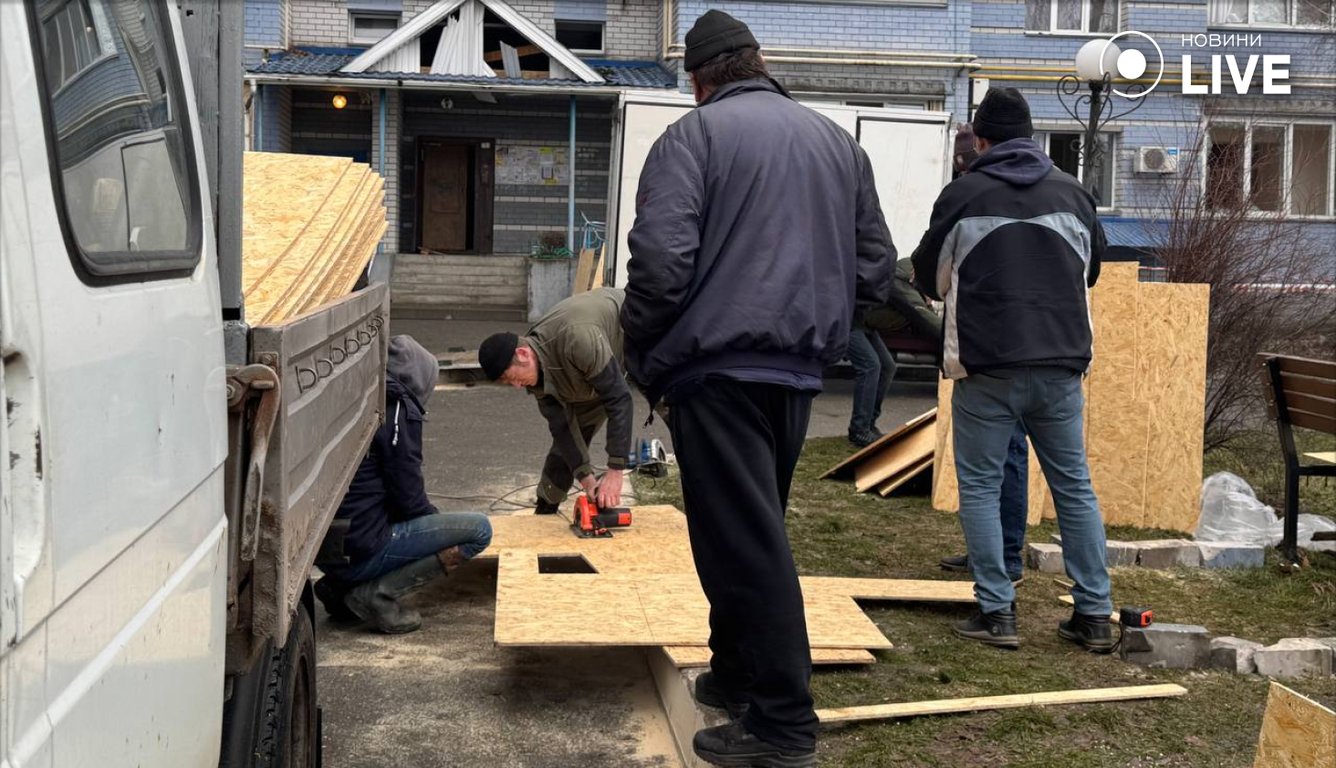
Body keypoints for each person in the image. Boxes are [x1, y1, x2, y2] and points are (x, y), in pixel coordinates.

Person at [621, 10, 893, 767]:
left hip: (716, 370)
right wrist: (819, 312)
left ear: (699, 79)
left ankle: (781, 724)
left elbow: (662, 263)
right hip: (796, 370)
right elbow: (876, 265)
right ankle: (738, 673)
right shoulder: (837, 143)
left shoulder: (693, 138)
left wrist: (642, 343)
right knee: (749, 531)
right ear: (758, 61)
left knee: (745, 544)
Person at [910, 87, 1112, 652]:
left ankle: (998, 612)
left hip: (987, 364)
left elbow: (931, 280)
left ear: (979, 139)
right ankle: (1095, 615)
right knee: (1074, 487)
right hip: (1061, 363)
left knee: (979, 484)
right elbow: (1090, 272)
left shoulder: (963, 193)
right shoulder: (1074, 192)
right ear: (1031, 136)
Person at [315, 335, 493, 635]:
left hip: (332, 550)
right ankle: (378, 594)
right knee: (479, 530)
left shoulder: (358, 399)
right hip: (363, 548)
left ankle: (338, 586)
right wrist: (436, 526)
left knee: (380, 509)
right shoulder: (398, 412)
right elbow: (409, 498)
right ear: (420, 378)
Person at [934, 124, 1031, 586]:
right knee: (1006, 461)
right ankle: (993, 555)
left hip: (991, 347)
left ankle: (1001, 568)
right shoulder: (1049, 188)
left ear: (980, 148)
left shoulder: (973, 193)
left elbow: (934, 269)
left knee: (996, 464)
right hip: (1035, 343)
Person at [478, 287, 632, 513]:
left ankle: (699, 491)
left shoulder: (576, 339)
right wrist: (587, 480)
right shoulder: (536, 374)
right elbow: (563, 430)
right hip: (585, 375)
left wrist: (616, 470)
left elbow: (619, 399)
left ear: (523, 354)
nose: (518, 386)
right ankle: (545, 511)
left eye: (513, 378)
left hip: (634, 335)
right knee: (564, 450)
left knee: (679, 414)